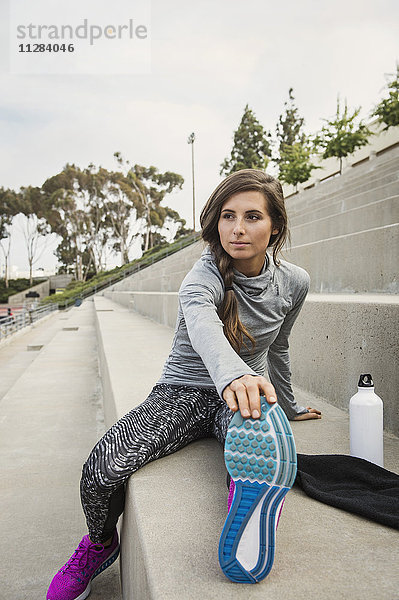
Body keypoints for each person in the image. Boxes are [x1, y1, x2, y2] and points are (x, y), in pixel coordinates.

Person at [47, 169, 321, 600]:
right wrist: (233, 374)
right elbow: (202, 324)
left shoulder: (294, 282)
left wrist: (287, 404)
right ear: (216, 222)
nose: (237, 229)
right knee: (98, 474)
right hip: (183, 392)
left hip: (245, 393)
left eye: (252, 216)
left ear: (276, 226)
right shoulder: (202, 275)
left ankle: (245, 511)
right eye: (228, 216)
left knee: (254, 453)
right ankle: (100, 545)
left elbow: (279, 347)